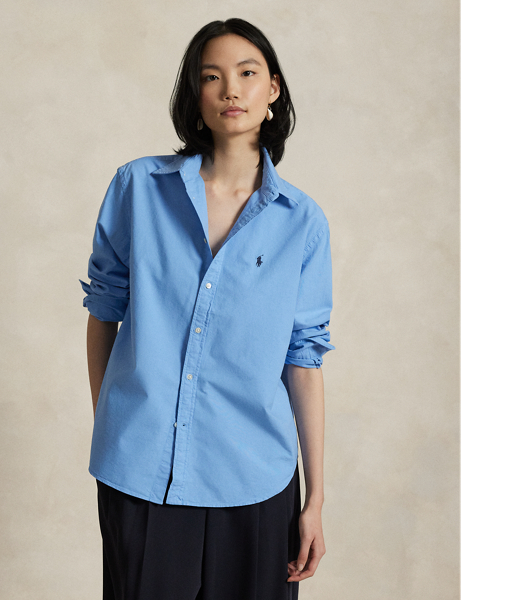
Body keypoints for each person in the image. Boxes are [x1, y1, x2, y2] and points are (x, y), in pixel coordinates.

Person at [79, 17, 334, 600]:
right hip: (140, 472)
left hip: (257, 477)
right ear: (195, 95)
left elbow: (304, 360)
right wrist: (115, 423)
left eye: (247, 73)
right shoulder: (138, 188)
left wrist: (315, 499)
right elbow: (104, 312)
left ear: (273, 89)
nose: (230, 90)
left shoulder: (302, 222)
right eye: (211, 76)